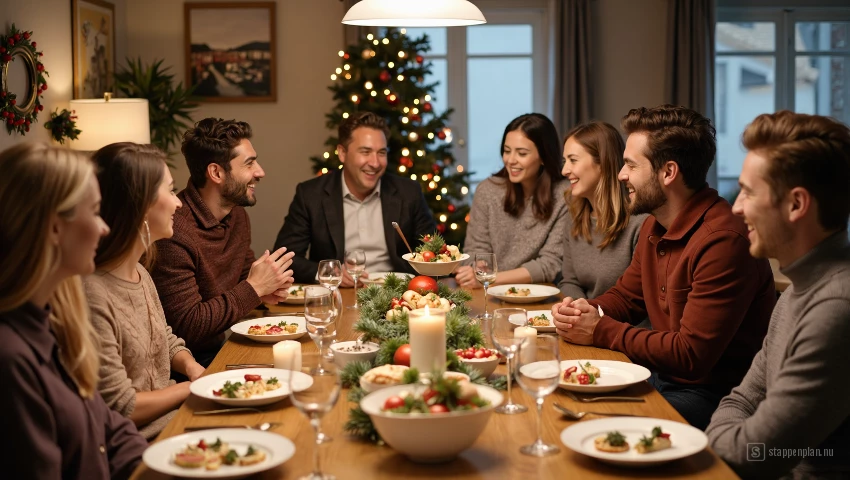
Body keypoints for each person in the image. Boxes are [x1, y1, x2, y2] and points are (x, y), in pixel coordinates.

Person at [552, 105, 776, 430]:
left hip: (713, 396)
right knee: (566, 405)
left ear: (668, 172)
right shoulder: (654, 226)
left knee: (590, 425)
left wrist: (599, 329)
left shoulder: (723, 240)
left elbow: (690, 355)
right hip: (662, 377)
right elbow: (626, 299)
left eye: (630, 165)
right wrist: (582, 311)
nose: (620, 175)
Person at [706, 112, 850, 478]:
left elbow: (752, 454)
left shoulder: (835, 308)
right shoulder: (796, 293)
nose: (736, 207)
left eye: (749, 192)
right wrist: (732, 435)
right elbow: (741, 399)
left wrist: (725, 437)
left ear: (796, 204)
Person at [0, 143, 147, 479]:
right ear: (54, 228)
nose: (104, 228)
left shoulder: (56, 321)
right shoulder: (12, 359)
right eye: (95, 212)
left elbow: (111, 430)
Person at [84, 143, 206, 440]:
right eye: (170, 190)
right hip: (140, 445)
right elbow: (122, 406)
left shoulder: (140, 272)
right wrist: (190, 388)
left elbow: (162, 336)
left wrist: (193, 367)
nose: (178, 203)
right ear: (139, 205)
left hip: (177, 423)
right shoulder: (92, 293)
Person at [150, 118, 295, 366]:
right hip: (187, 366)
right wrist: (254, 289)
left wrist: (264, 290)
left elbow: (243, 280)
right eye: (249, 164)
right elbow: (188, 326)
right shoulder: (173, 232)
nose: (260, 172)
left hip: (223, 349)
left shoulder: (237, 215)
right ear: (216, 172)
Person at [273, 112, 436, 285]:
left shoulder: (408, 192)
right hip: (339, 296)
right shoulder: (311, 195)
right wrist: (328, 272)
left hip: (397, 294)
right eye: (365, 152)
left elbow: (432, 251)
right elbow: (285, 258)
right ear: (342, 153)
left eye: (381, 153)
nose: (375, 163)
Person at [455, 113, 568, 289]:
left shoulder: (564, 194)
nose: (510, 160)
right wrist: (478, 267)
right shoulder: (487, 190)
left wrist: (491, 278)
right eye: (507, 151)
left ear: (544, 157)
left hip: (541, 295)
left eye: (522, 153)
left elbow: (551, 263)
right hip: (489, 293)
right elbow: (474, 250)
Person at [559, 121, 647, 299]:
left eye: (573, 160)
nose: (564, 170)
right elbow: (569, 282)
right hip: (584, 322)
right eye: (564, 161)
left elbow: (639, 299)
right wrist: (580, 310)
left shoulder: (640, 223)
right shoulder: (574, 217)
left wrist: (590, 315)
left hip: (621, 325)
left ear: (603, 163)